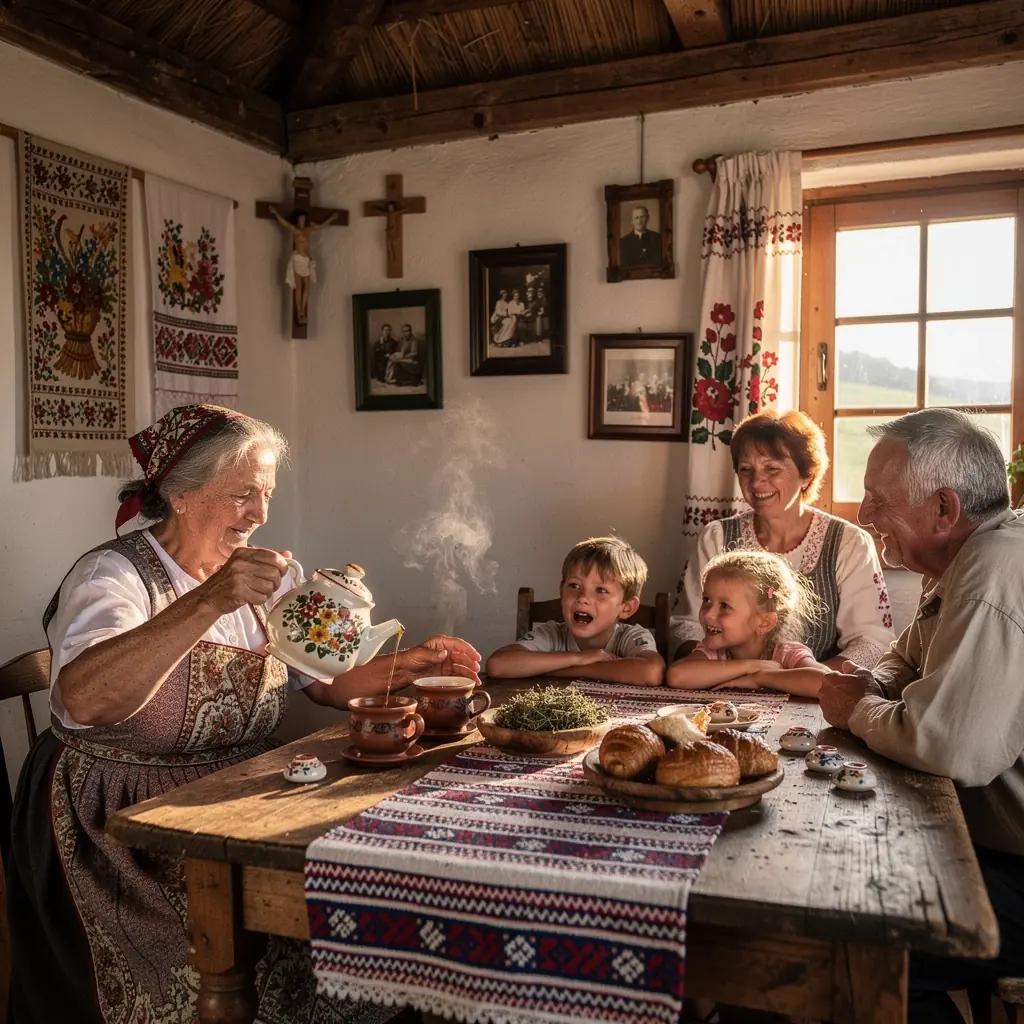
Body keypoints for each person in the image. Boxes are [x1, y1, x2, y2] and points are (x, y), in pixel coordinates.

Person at [7, 404, 481, 1024]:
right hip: (121, 827)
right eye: (241, 496)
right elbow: (84, 699)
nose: (259, 515)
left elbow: (327, 684)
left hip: (239, 803)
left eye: (266, 495)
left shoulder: (265, 581)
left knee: (367, 909)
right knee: (250, 955)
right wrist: (209, 598)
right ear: (179, 493)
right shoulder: (113, 576)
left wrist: (411, 663)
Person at [817, 409, 1024, 1024]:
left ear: (943, 510)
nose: (862, 516)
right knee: (843, 868)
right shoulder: (968, 561)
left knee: (859, 938)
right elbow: (897, 665)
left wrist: (857, 709)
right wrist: (873, 692)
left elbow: (946, 746)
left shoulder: (995, 569)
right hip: (993, 845)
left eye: (879, 501)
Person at [671, 409, 895, 669]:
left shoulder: (849, 542)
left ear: (806, 476)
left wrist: (809, 680)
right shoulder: (717, 537)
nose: (756, 482)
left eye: (772, 468)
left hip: (816, 698)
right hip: (724, 689)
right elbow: (686, 627)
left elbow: (872, 642)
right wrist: (711, 668)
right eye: (746, 469)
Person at [485, 536, 665, 687]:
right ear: (561, 590)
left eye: (601, 590)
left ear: (626, 608)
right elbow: (497, 664)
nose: (582, 597)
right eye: (574, 585)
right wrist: (579, 658)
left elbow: (652, 672)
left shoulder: (631, 637)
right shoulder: (551, 634)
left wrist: (570, 668)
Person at [666, 549, 829, 697]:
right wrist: (749, 666)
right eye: (707, 600)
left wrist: (760, 678)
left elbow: (827, 683)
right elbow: (677, 676)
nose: (708, 613)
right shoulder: (714, 653)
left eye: (724, 606)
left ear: (764, 623)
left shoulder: (786, 654)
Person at [268, 206, 339, 325]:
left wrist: (331, 218)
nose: (303, 221)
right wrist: (275, 213)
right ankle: (300, 311)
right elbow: (284, 223)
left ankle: (303, 310)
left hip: (306, 260)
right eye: (301, 219)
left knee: (307, 286)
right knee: (299, 286)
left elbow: (321, 226)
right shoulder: (295, 230)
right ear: (297, 220)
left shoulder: (308, 230)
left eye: (304, 219)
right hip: (297, 259)